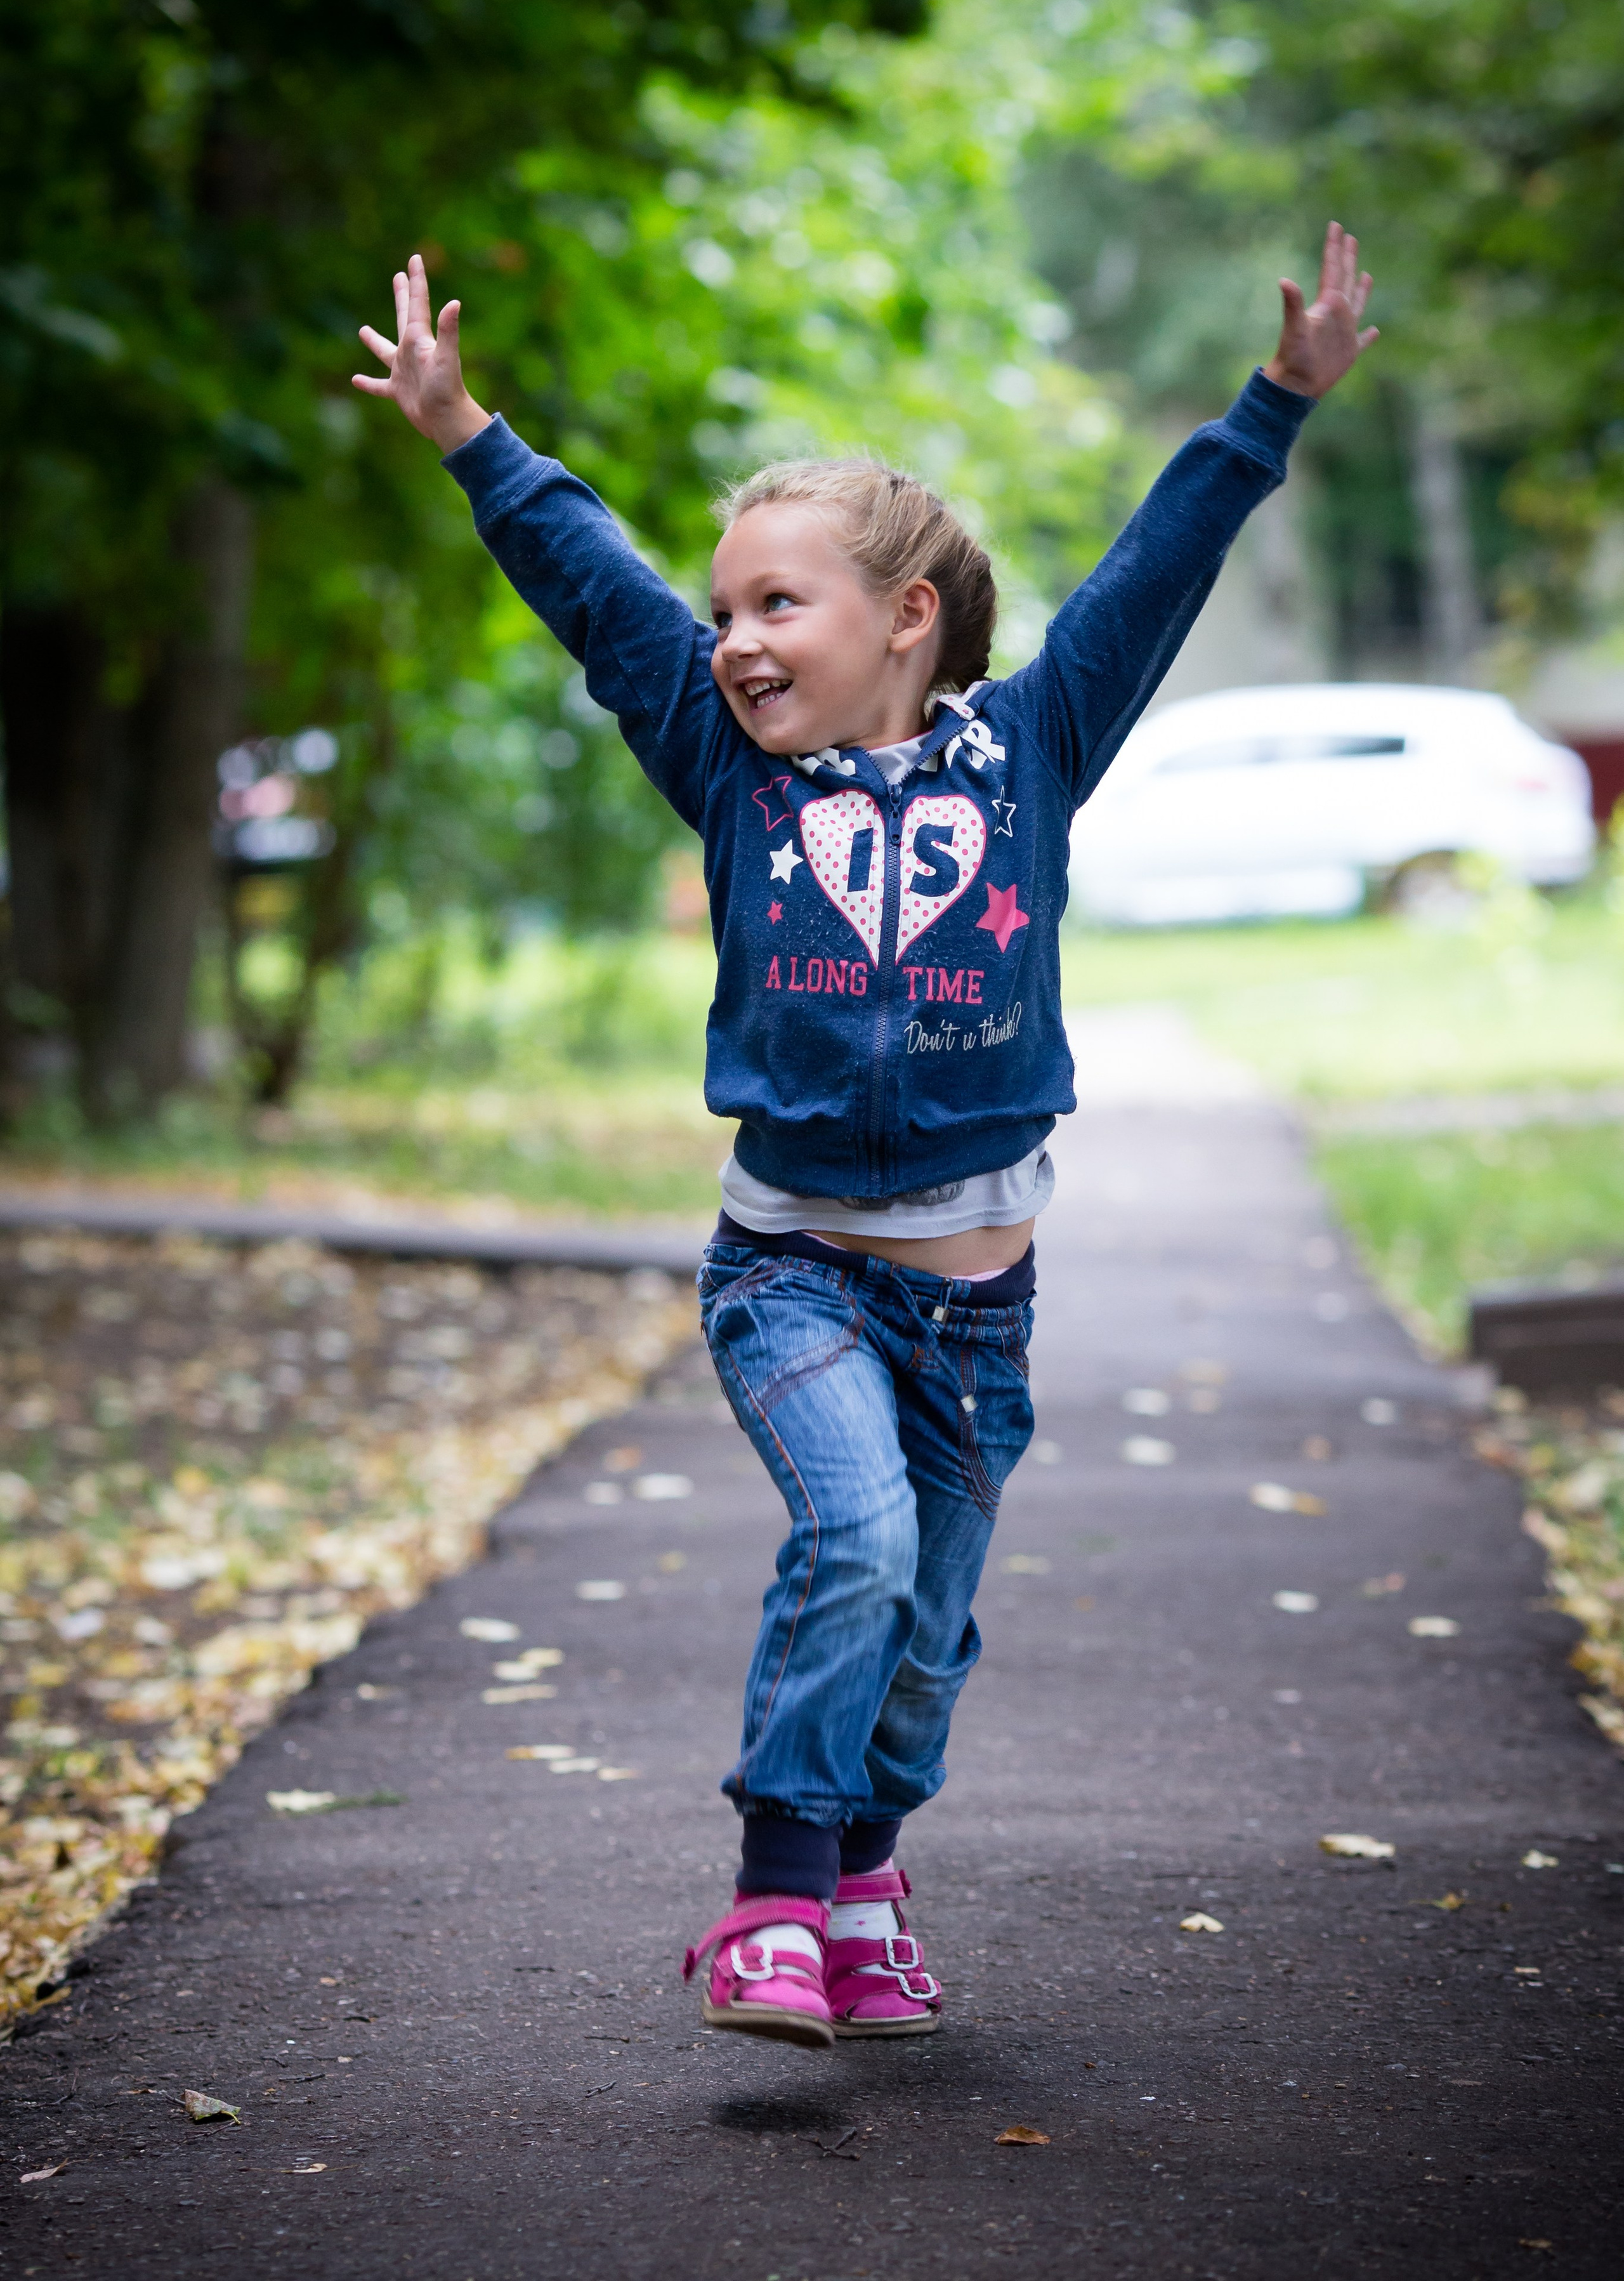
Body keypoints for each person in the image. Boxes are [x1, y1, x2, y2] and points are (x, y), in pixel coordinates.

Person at [354, 224, 1377, 2049]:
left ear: (905, 620)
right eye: (730, 610)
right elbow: (597, 590)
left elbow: (1156, 573)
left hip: (982, 1312)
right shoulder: (723, 762)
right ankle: (767, 1905)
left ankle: (865, 1884)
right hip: (796, 1274)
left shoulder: (1037, 751)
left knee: (926, 1646)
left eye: (778, 606)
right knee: (857, 1546)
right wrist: (469, 438)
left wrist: (1274, 404)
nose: (736, 641)